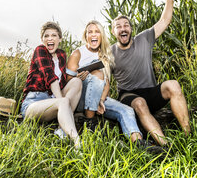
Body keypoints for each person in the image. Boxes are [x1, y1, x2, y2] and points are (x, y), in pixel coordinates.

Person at [110, 0, 191, 146]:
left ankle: (188, 137)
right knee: (139, 103)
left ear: (131, 29)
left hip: (150, 91)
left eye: (126, 25)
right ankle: (165, 145)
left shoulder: (144, 38)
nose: (123, 29)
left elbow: (165, 20)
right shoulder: (110, 52)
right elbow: (101, 77)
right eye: (118, 27)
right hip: (128, 96)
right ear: (113, 32)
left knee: (173, 85)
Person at [67, 20, 163, 153]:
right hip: (81, 99)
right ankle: (90, 122)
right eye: (90, 32)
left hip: (100, 98)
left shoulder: (105, 55)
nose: (94, 34)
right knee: (96, 75)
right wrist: (83, 76)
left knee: (126, 110)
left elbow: (106, 82)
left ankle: (139, 143)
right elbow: (69, 82)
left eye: (97, 31)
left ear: (101, 35)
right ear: (86, 35)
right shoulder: (78, 53)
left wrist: (101, 99)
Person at [20, 21, 82, 148]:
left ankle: (61, 130)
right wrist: (62, 102)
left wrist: (79, 75)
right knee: (63, 102)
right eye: (46, 36)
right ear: (42, 39)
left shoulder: (61, 55)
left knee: (77, 82)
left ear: (60, 38)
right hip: (33, 102)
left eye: (54, 35)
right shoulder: (40, 50)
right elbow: (51, 79)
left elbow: (63, 82)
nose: (50, 38)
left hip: (52, 99)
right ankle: (77, 143)